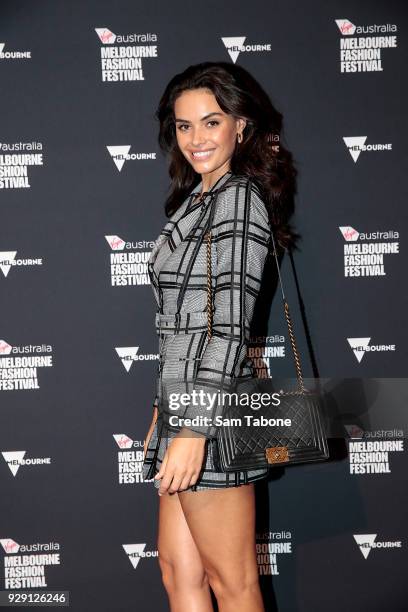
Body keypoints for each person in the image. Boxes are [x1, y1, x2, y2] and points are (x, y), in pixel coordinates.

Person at [142, 61, 297, 612]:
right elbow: (181, 322)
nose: (196, 138)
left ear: (242, 126)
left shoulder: (238, 197)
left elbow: (228, 328)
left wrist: (194, 429)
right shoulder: (198, 201)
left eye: (211, 122)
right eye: (184, 126)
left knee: (232, 582)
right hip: (182, 404)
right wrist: (165, 414)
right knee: (178, 569)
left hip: (212, 413)